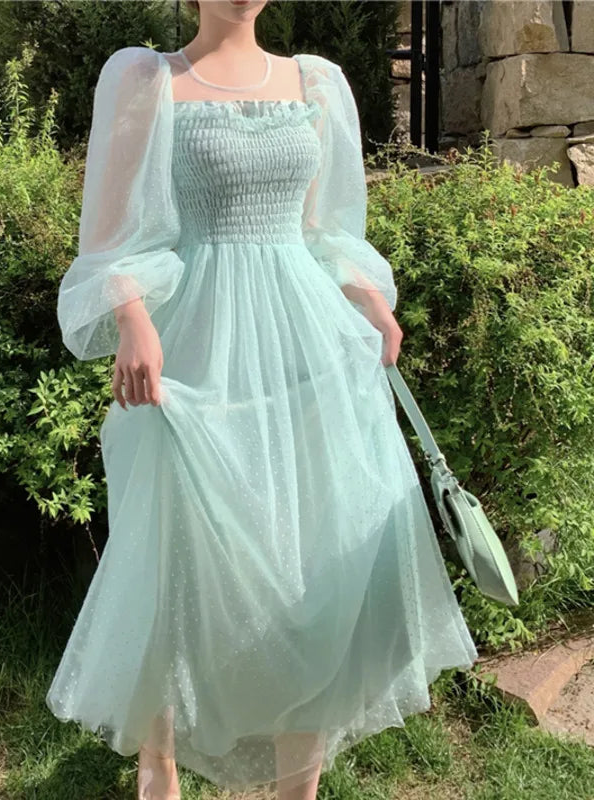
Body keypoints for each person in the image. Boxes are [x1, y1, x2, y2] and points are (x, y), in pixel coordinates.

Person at [45, 1, 479, 799]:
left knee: (309, 556)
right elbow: (107, 239)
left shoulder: (317, 83)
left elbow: (324, 230)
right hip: (195, 353)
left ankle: (295, 786)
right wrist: (132, 317)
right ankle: (158, 760)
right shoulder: (146, 78)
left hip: (305, 348)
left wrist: (370, 301)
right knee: (172, 559)